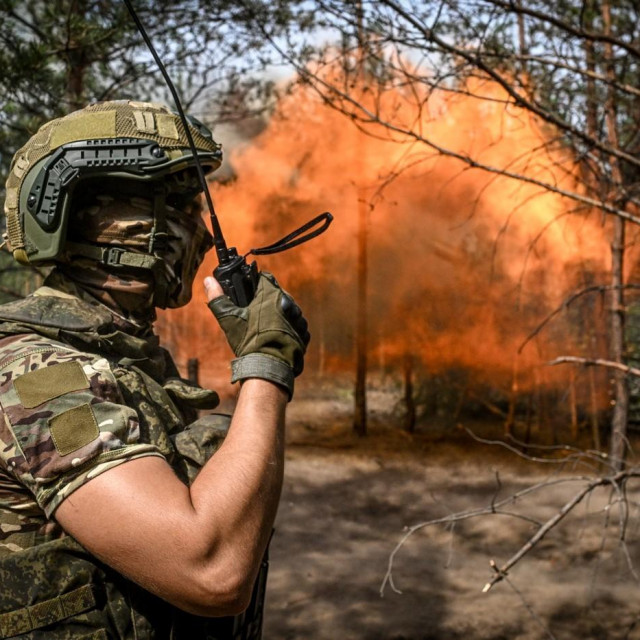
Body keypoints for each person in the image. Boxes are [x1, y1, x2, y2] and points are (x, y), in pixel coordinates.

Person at [0, 100, 309, 639]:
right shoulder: (38, 377)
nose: (204, 235)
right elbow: (210, 570)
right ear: (105, 225)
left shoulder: (129, 361)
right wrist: (265, 366)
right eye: (184, 210)